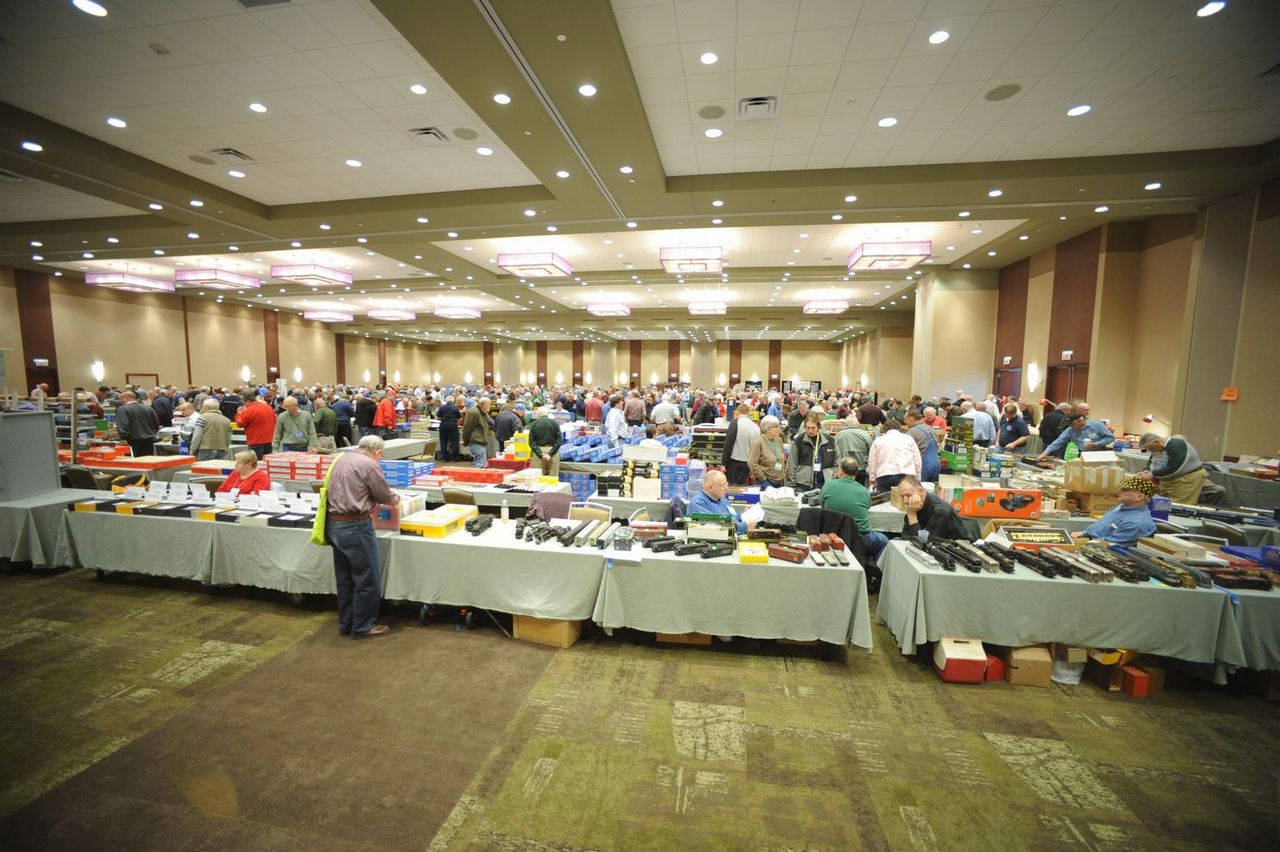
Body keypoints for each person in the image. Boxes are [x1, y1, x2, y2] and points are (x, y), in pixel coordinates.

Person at [324, 435, 396, 638]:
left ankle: (346, 624)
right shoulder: (369, 465)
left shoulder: (342, 459)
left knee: (345, 579)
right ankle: (363, 626)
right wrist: (396, 499)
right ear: (378, 452)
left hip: (334, 524)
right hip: (356, 525)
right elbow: (385, 496)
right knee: (367, 578)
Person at [821, 457, 887, 562]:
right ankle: (875, 569)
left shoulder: (828, 486)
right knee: (884, 541)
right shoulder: (864, 491)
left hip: (833, 536)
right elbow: (867, 506)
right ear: (856, 473)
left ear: (841, 471)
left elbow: (822, 505)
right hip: (861, 538)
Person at [1073, 476, 1158, 545]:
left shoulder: (1136, 523)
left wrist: (1083, 543)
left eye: (1125, 490)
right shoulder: (1121, 507)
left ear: (1139, 497)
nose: (1120, 491)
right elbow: (1103, 524)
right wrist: (1084, 533)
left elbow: (1109, 544)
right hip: (1093, 541)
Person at [1138, 433, 1208, 504]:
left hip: (1187, 479)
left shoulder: (1176, 446)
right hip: (1169, 481)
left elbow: (1174, 468)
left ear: (1157, 442)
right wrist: (1147, 470)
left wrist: (1152, 474)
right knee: (1163, 503)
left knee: (1179, 505)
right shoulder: (1157, 449)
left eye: (1150, 448)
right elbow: (1152, 461)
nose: (1150, 451)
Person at [898, 475, 970, 541]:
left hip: (957, 548)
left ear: (921, 491)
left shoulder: (939, 511)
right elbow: (905, 537)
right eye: (902, 496)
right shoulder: (914, 507)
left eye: (908, 495)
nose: (905, 501)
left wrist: (912, 516)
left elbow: (923, 543)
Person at [687, 469, 751, 533]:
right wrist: (745, 526)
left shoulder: (721, 498)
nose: (726, 488)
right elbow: (720, 529)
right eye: (723, 486)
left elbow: (732, 517)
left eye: (726, 484)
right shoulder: (698, 503)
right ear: (711, 487)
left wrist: (744, 513)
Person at [785, 413, 837, 491]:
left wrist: (833, 477)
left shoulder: (829, 440)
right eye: (808, 428)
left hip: (826, 484)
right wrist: (792, 485)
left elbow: (837, 461)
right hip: (803, 485)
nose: (810, 430)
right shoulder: (798, 441)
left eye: (813, 428)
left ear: (818, 427)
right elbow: (792, 464)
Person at [867, 418, 922, 492]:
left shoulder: (878, 440)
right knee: (905, 498)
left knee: (884, 498)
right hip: (906, 475)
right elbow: (917, 460)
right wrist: (917, 477)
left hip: (884, 475)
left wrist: (872, 478)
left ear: (884, 430)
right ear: (899, 428)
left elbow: (872, 461)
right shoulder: (909, 439)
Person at [1037, 412, 1115, 459]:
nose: (1070, 427)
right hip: (1082, 454)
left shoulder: (1097, 425)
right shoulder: (1070, 430)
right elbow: (1058, 442)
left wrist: (1096, 444)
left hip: (1098, 453)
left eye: (1072, 424)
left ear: (1080, 421)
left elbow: (1110, 438)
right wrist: (1045, 453)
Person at [721, 404, 761, 486]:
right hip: (748, 463)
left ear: (737, 412)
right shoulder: (756, 427)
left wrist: (723, 463)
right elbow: (758, 449)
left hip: (734, 462)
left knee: (732, 489)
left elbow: (728, 444)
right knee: (744, 488)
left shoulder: (735, 423)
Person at [115, 390, 160, 457]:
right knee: (147, 460)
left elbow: (123, 425)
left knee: (134, 462)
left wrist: (123, 438)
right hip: (149, 440)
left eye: (121, 399)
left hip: (132, 441)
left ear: (125, 398)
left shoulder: (122, 409)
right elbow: (156, 423)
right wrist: (152, 433)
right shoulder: (148, 408)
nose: (120, 401)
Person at [748, 415, 787, 487]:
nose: (779, 429)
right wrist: (762, 478)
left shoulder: (779, 440)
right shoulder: (758, 442)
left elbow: (782, 458)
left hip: (780, 481)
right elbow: (752, 463)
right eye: (776, 427)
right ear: (767, 429)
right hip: (766, 482)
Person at [904, 408, 941, 483]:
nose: (904, 422)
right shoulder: (930, 428)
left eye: (905, 419)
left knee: (919, 488)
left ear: (911, 418)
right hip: (936, 464)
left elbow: (905, 451)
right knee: (932, 488)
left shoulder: (912, 432)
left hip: (924, 466)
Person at [236, 393, 277, 459]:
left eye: (244, 403)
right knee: (266, 462)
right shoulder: (269, 408)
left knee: (255, 462)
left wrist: (239, 413)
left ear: (248, 401)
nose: (244, 405)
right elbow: (275, 421)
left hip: (255, 441)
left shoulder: (249, 410)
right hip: (269, 441)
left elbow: (239, 424)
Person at [528, 406, 563, 476]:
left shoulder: (533, 424)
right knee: (553, 477)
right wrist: (550, 454)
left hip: (538, 451)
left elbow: (531, 442)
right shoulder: (555, 423)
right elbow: (559, 440)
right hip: (553, 451)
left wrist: (540, 455)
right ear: (547, 413)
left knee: (538, 477)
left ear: (538, 414)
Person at [462, 397, 493, 467]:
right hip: (477, 441)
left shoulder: (482, 412)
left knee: (481, 463)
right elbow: (467, 428)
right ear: (483, 404)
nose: (490, 406)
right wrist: (465, 441)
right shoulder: (474, 412)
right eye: (488, 404)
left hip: (481, 441)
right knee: (480, 464)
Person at [436, 394, 462, 460]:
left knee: (443, 441)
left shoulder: (442, 407)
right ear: (453, 401)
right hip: (453, 425)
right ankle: (455, 457)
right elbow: (459, 417)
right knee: (454, 441)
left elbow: (438, 416)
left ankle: (445, 456)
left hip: (443, 425)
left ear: (446, 400)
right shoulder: (455, 407)